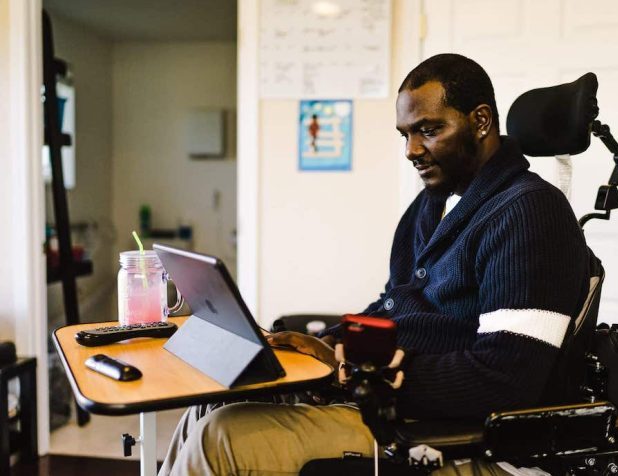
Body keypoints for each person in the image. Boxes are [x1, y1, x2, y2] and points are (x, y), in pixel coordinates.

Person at [159, 53, 591, 476]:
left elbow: (509, 376)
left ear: (480, 121)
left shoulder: (530, 213)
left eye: (429, 130)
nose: (412, 150)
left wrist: (361, 377)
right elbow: (396, 303)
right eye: (405, 134)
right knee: (212, 403)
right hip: (387, 401)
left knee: (222, 435)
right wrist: (325, 344)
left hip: (449, 433)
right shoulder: (432, 205)